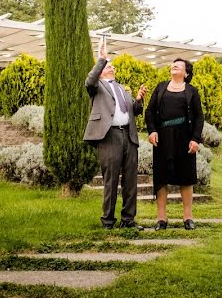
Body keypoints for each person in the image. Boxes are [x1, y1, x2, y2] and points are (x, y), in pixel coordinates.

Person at [83, 37, 147, 229]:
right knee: (110, 180)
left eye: (112, 66)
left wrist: (138, 100)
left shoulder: (121, 89)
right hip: (109, 137)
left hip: (129, 136)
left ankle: (128, 220)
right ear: (102, 70)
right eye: (108, 66)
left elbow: (133, 111)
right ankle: (108, 221)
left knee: (130, 181)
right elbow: (89, 80)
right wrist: (101, 59)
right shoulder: (97, 86)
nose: (112, 68)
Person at [145, 57, 204, 230]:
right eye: (173, 64)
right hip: (162, 139)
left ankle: (188, 218)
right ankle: (162, 219)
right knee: (161, 178)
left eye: (179, 65)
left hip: (184, 139)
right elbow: (149, 111)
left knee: (186, 177)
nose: (174, 65)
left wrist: (195, 139)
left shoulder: (192, 91)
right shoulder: (161, 87)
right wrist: (152, 130)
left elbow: (199, 116)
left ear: (186, 73)